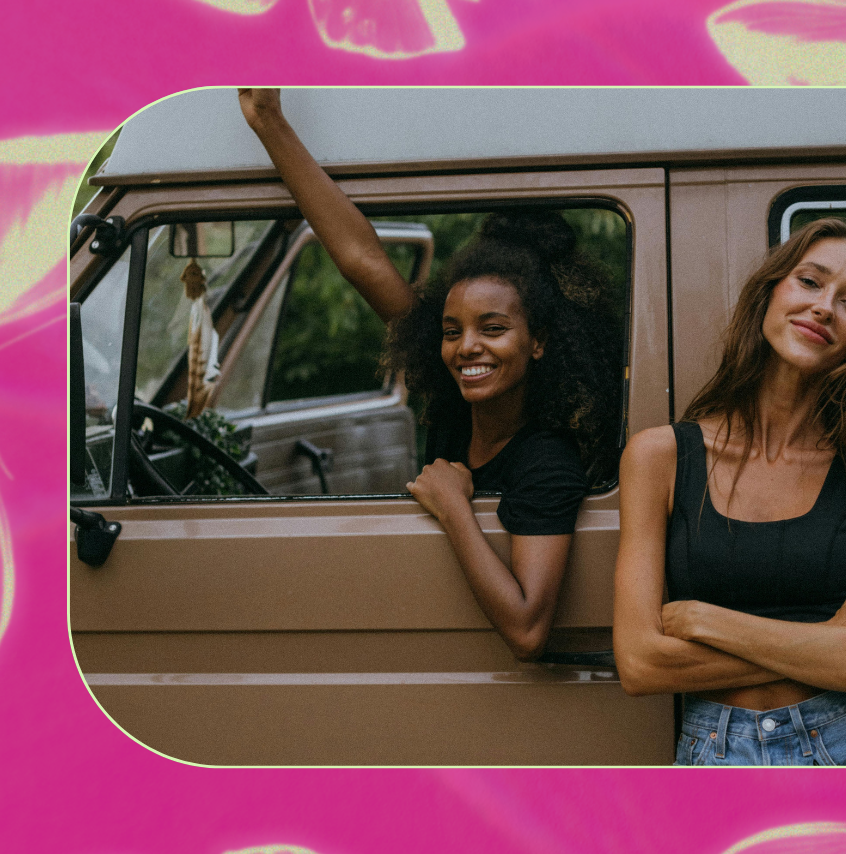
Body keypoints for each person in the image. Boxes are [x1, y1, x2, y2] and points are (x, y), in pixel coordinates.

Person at [239, 89, 621, 661]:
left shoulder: (548, 461)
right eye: (450, 331)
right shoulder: (455, 400)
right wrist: (268, 121)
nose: (467, 347)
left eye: (493, 328)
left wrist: (454, 508)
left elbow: (528, 630)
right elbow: (363, 259)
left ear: (539, 342)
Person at [613, 217, 846, 765]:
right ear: (769, 293)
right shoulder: (659, 456)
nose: (824, 307)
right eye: (810, 281)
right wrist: (831, 635)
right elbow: (640, 664)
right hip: (716, 755)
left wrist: (706, 621)